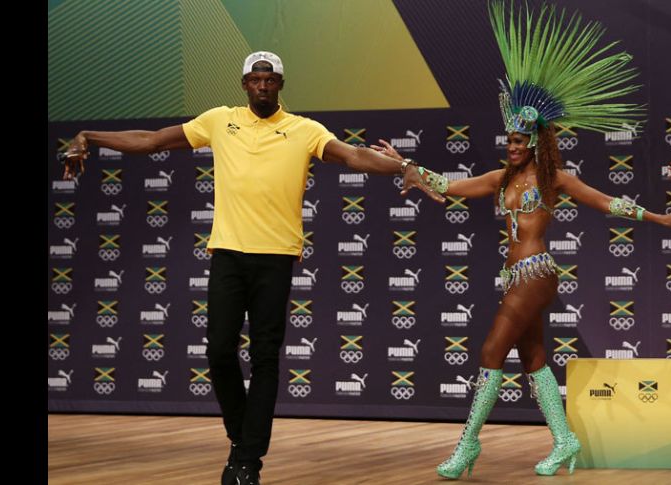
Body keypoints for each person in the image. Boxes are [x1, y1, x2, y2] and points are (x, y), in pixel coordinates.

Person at [59, 51, 442, 485]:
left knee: (264, 358)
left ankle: (247, 461)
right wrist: (88, 135)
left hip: (275, 257)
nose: (263, 85)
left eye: (270, 79)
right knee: (219, 351)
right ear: (244, 84)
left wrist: (404, 167)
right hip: (228, 253)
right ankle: (242, 440)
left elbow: (353, 156)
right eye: (256, 79)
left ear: (280, 84)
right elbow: (152, 140)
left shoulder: (304, 129)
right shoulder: (219, 120)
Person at [374, 1, 671, 479]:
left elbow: (605, 201)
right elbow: (448, 186)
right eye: (509, 141)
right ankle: (564, 440)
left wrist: (658, 217)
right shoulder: (501, 178)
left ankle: (467, 446)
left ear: (537, 141)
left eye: (520, 142)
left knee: (490, 352)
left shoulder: (553, 178)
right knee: (534, 359)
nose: (512, 147)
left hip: (537, 272)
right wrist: (404, 165)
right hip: (512, 276)